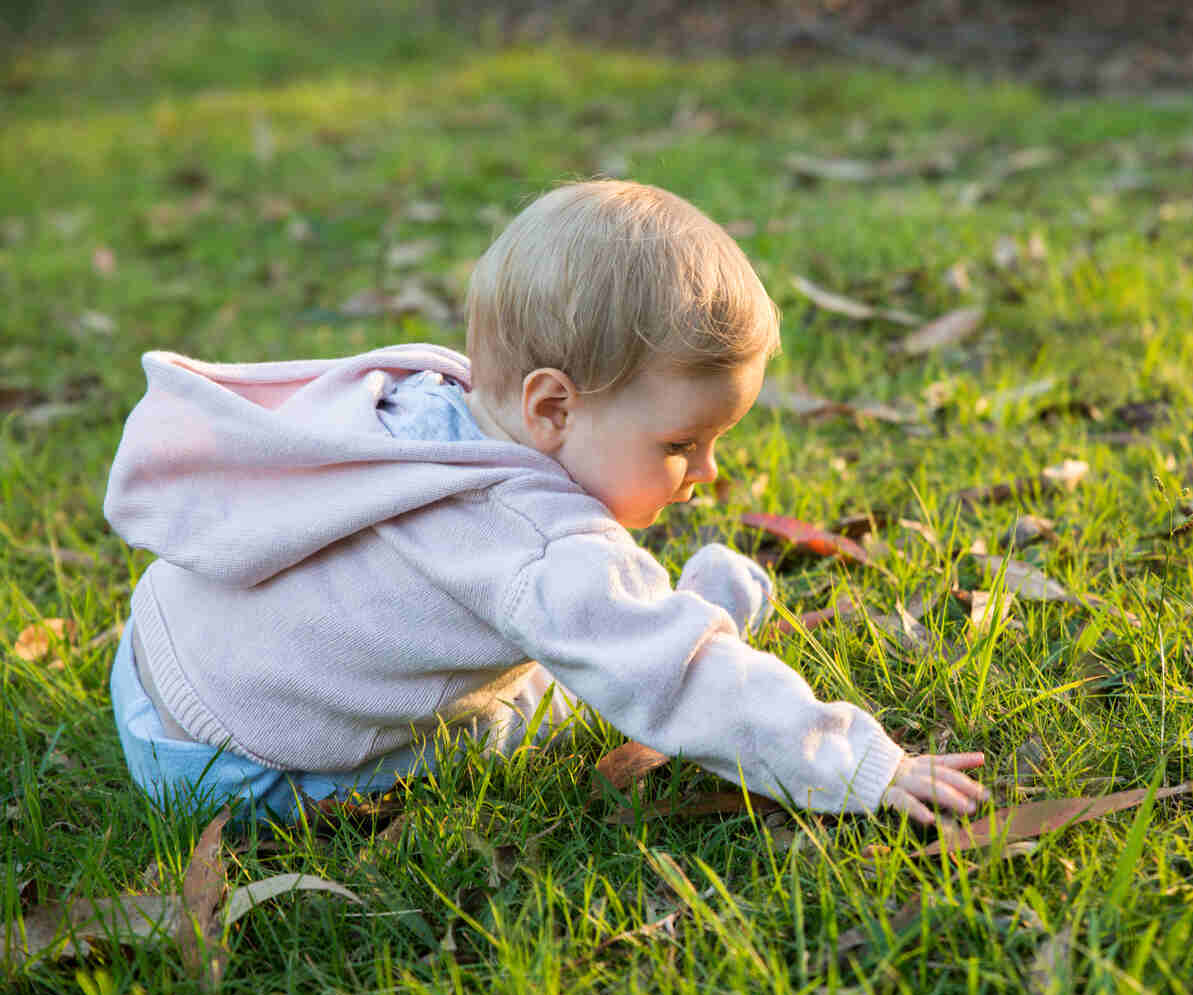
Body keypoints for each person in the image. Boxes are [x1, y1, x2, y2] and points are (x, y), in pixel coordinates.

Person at [102, 179, 987, 826]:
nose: (708, 472)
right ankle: (672, 617)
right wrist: (864, 765)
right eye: (680, 445)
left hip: (155, 666)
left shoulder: (416, 391)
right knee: (539, 694)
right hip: (237, 770)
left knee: (557, 630)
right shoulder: (539, 545)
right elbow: (675, 684)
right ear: (552, 407)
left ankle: (658, 613)